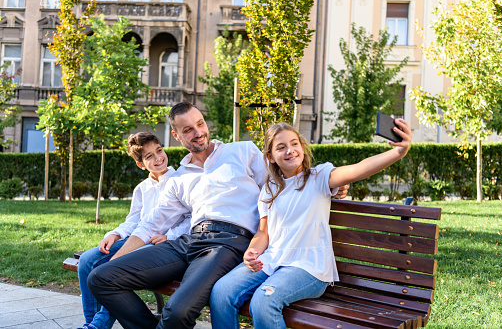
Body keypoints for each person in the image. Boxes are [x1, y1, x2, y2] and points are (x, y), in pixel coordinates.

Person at [87, 102, 350, 329]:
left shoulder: (242, 152)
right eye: (188, 129)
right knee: (101, 277)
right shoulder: (180, 178)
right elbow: (148, 225)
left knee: (177, 311)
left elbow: (285, 176)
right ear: (177, 136)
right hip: (189, 242)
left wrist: (332, 183)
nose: (198, 132)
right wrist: (115, 260)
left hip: (228, 244)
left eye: (200, 123)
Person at [209, 120, 413, 329]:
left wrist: (398, 153)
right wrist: (252, 252)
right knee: (221, 292)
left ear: (302, 147)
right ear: (270, 157)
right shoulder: (269, 188)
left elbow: (357, 169)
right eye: (281, 147)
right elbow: (263, 232)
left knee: (264, 301)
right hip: (273, 260)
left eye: (294, 143)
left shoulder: (319, 177)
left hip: (308, 267)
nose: (290, 150)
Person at [77, 132, 190, 329]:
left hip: (164, 246)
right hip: (137, 239)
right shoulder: (142, 188)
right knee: (87, 261)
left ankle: (98, 325)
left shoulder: (181, 180)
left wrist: (169, 235)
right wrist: (115, 234)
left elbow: (192, 217)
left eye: (159, 150)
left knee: (112, 269)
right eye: (149, 156)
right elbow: (133, 220)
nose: (158, 158)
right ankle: (91, 324)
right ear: (140, 164)